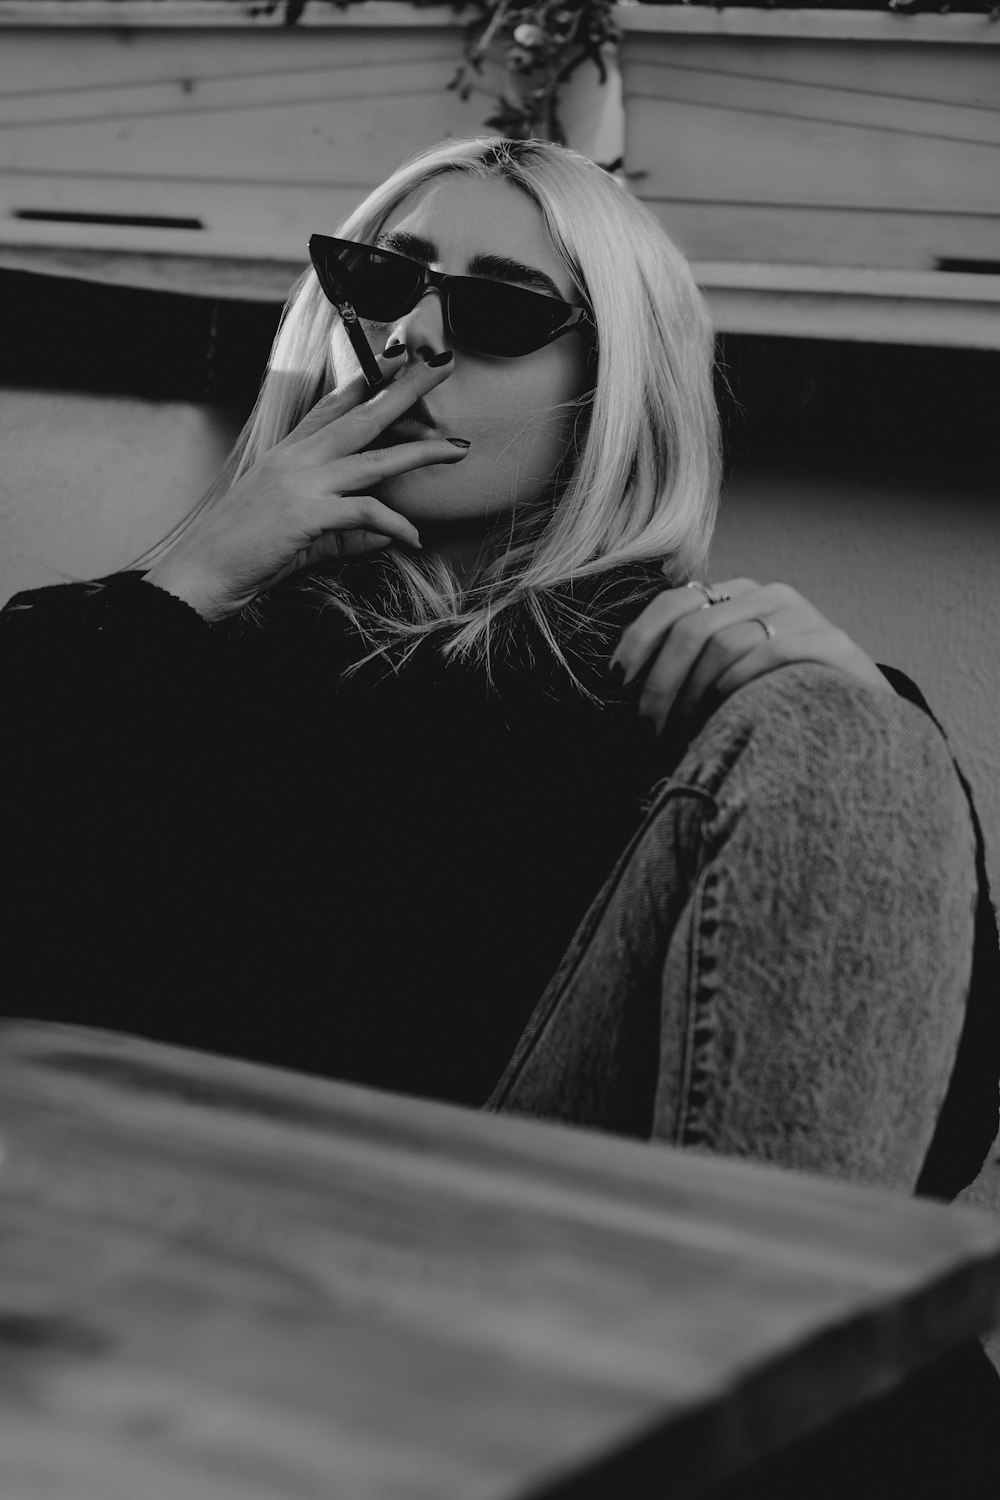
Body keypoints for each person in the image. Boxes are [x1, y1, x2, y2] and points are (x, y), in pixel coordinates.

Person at [2, 137, 998, 1492]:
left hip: (595, 1299)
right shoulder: (181, 658)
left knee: (845, 728)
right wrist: (182, 578)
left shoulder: (705, 689)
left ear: (609, 388)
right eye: (382, 278)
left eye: (499, 309)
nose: (412, 337)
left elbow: (921, 1143)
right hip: (253, 1278)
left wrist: (856, 718)